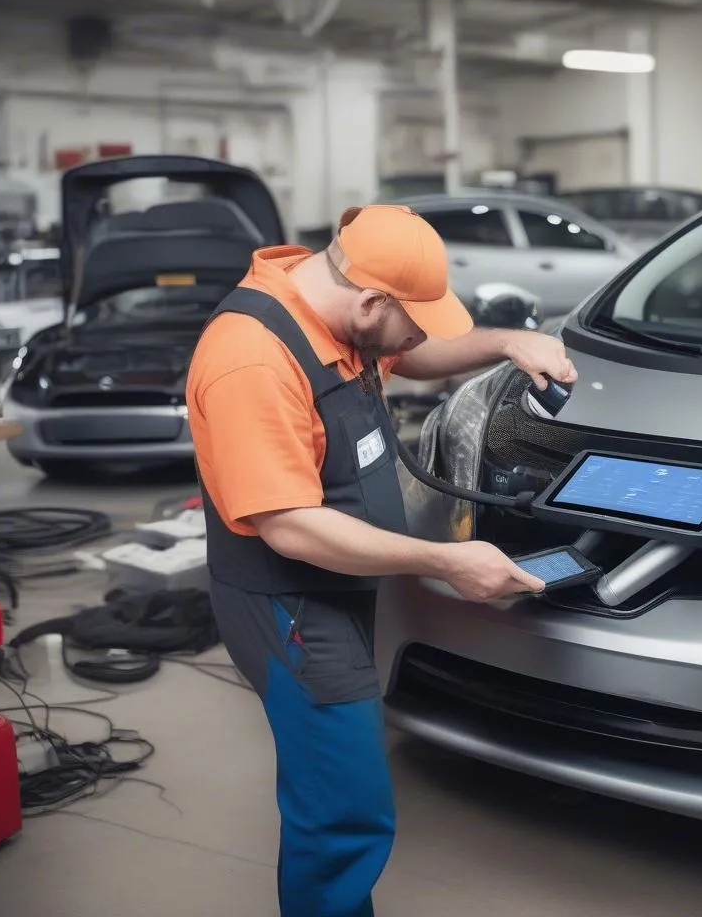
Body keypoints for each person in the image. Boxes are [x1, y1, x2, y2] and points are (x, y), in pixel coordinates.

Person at [186, 203, 578, 917]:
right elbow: (290, 527)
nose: (422, 333)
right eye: (413, 316)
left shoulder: (335, 309)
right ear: (370, 301)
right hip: (290, 604)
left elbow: (412, 351)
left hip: (340, 588)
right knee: (342, 808)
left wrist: (510, 342)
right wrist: (446, 562)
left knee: (332, 789)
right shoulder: (252, 357)